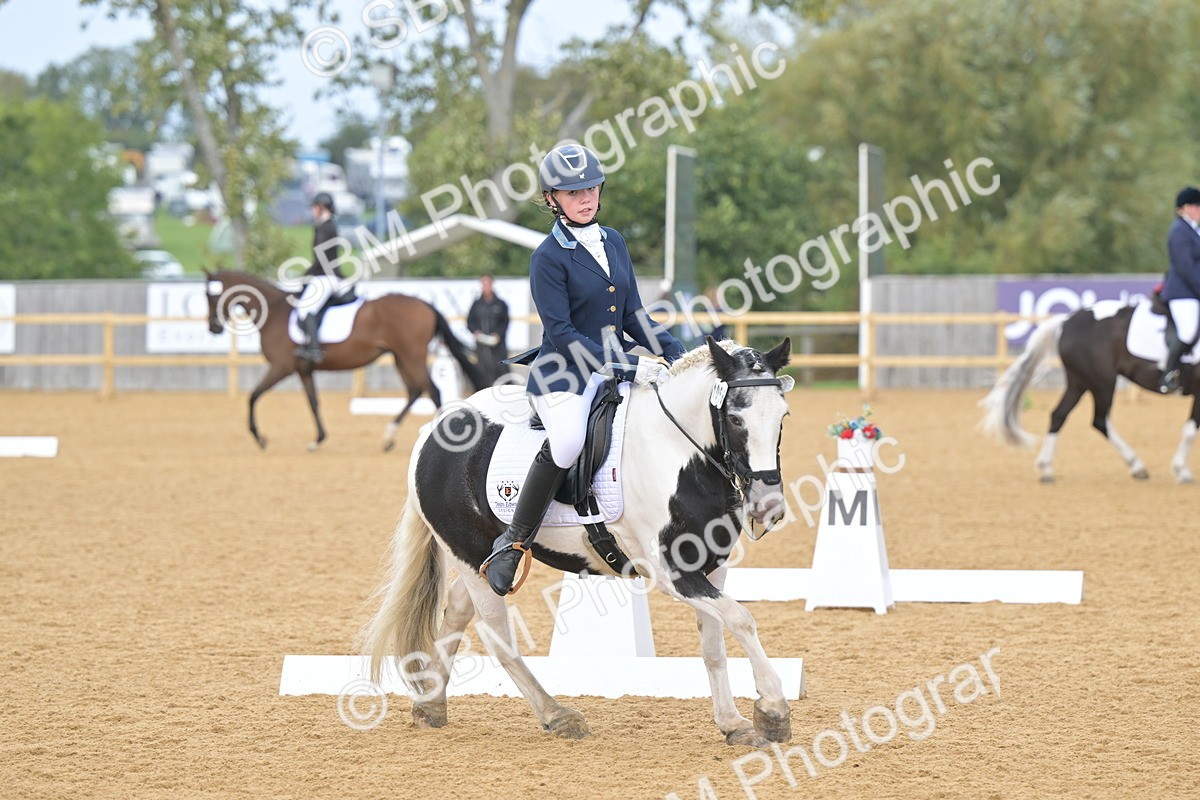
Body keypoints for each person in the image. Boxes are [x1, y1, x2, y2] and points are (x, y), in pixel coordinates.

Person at [478, 144, 686, 596]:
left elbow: (633, 315)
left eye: (591, 188)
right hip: (563, 374)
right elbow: (563, 332)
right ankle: (513, 541)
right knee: (569, 439)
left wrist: (677, 354)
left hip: (612, 367)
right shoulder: (547, 258)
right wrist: (629, 366)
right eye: (573, 193)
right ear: (552, 199)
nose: (586, 198)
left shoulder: (614, 240)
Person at [294, 192, 348, 364]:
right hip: (325, 275)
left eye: (314, 207)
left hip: (326, 277)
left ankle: (315, 349)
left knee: (304, 309)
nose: (312, 211)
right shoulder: (326, 226)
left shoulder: (326, 228)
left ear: (321, 207)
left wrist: (306, 276)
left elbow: (321, 259)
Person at [1159, 186, 1200, 393]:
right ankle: (1168, 372)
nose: (1199, 209)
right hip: (1183, 292)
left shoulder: (1194, 230)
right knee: (1188, 330)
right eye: (1196, 206)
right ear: (1183, 208)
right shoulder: (1179, 232)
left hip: (1194, 291)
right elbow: (1186, 268)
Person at [466, 273, 511, 387]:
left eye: (488, 283)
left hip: (498, 347)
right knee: (483, 375)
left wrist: (498, 334)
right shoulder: (476, 304)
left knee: (502, 373)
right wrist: (476, 331)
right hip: (481, 348)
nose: (486, 286)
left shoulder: (501, 304)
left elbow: (505, 322)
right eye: (483, 284)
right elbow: (470, 322)